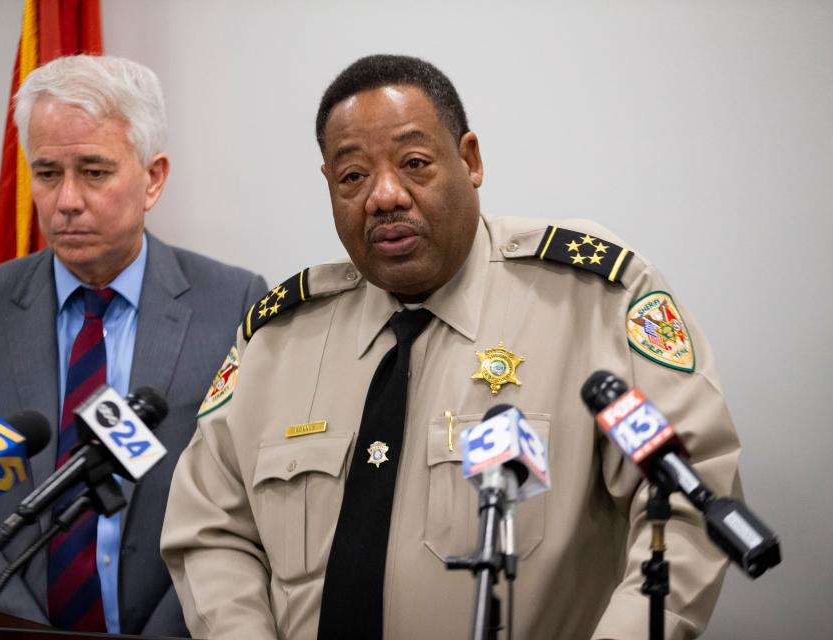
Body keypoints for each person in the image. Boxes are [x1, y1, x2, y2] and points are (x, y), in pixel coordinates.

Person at [161, 54, 741, 639]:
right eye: (353, 177)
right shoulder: (278, 338)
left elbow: (688, 502)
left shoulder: (591, 301)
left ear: (470, 160)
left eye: (414, 163)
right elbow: (210, 527)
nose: (384, 196)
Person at [0, 55, 266, 638]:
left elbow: (242, 505)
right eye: (47, 173)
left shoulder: (233, 305)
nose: (67, 200)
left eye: (94, 172)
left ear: (153, 177)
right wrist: (18, 630)